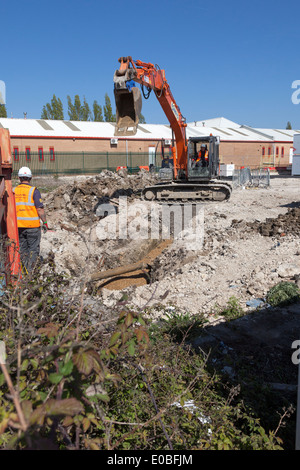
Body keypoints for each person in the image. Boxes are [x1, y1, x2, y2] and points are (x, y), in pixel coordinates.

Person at [14, 167, 48, 273]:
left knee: (23, 249)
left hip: (19, 226)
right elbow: (40, 209)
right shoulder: (34, 191)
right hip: (33, 226)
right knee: (33, 250)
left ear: (19, 178)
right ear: (31, 177)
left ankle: (24, 271)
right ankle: (31, 274)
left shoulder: (14, 191)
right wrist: (45, 222)